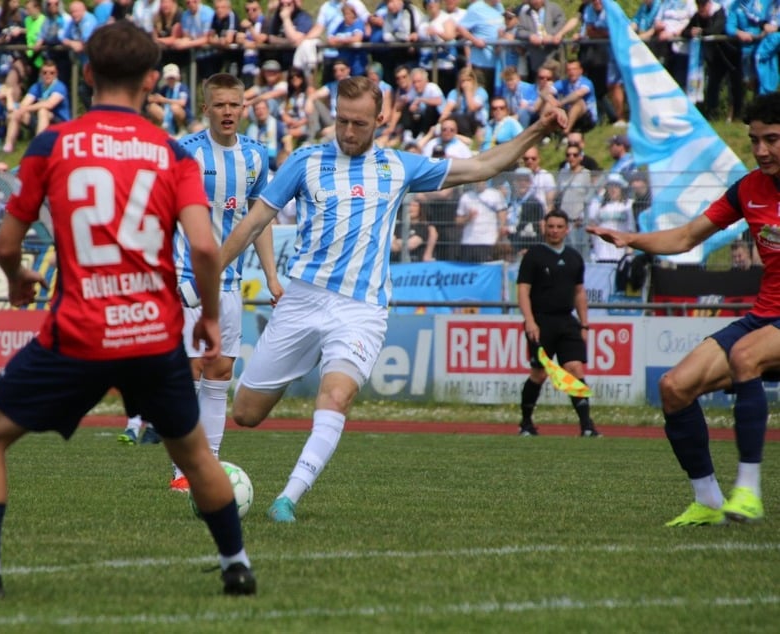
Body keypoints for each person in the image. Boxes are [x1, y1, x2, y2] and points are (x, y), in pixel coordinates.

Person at [0, 20, 256, 598]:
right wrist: (209, 316)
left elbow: (7, 245)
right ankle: (237, 564)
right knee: (195, 453)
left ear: (87, 76)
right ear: (152, 80)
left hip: (79, 331)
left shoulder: (52, 143)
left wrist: (17, 279)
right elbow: (206, 247)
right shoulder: (171, 153)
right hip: (155, 335)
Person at [217, 75, 567, 523]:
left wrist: (536, 130)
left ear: (380, 120)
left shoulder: (398, 166)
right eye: (342, 121)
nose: (348, 132)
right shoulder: (304, 161)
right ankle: (293, 366)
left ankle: (289, 496)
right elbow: (253, 222)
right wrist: (213, 271)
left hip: (361, 310)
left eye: (359, 123)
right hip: (302, 299)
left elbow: (480, 167)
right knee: (246, 413)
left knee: (337, 394)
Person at [588, 92, 780, 527]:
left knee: (745, 355)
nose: (762, 150)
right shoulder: (749, 188)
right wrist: (630, 239)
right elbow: (687, 237)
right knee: (675, 387)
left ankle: (747, 492)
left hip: (763, 333)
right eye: (755, 140)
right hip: (766, 316)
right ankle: (708, 501)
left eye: (772, 139)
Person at [156, 73, 281, 491]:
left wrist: (271, 275)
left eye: (235, 105)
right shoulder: (184, 153)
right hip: (187, 280)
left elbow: (260, 219)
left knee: (221, 370)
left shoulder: (258, 157)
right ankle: (181, 472)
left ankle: (207, 465)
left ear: (243, 108)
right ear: (205, 109)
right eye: (220, 105)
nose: (228, 112)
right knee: (191, 369)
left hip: (229, 284)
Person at [516, 209, 600, 438]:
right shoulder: (534, 255)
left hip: (567, 321)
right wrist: (530, 321)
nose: (554, 231)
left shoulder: (574, 257)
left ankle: (587, 426)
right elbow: (523, 290)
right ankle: (526, 423)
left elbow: (579, 292)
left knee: (575, 369)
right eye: (550, 226)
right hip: (541, 321)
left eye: (559, 227)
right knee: (539, 374)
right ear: (544, 227)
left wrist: (584, 324)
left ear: (567, 229)